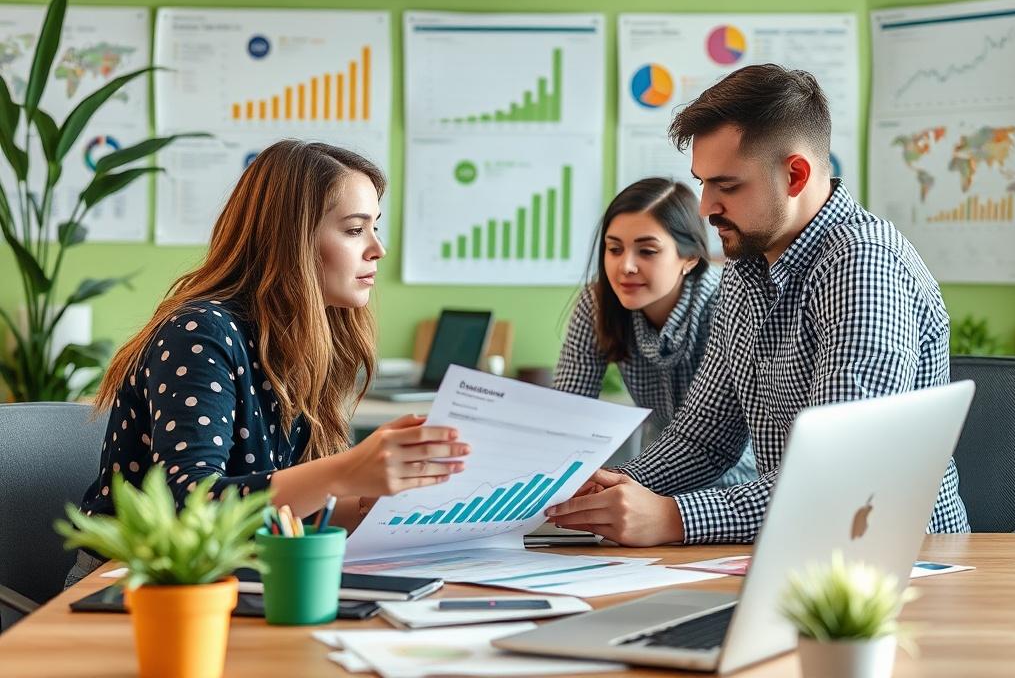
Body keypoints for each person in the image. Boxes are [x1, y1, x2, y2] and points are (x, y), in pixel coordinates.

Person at [546, 64, 969, 546]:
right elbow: (702, 438)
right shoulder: (747, 270)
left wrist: (673, 518)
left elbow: (846, 475)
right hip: (796, 548)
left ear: (795, 175)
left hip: (894, 556)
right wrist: (616, 486)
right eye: (702, 183)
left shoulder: (862, 267)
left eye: (726, 186)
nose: (704, 208)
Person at [65, 141, 469, 587]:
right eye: (355, 230)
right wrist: (347, 471)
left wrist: (372, 502)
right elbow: (190, 505)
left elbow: (286, 508)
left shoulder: (307, 341)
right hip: (133, 589)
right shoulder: (200, 333)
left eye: (375, 227)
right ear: (290, 238)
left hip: (246, 577)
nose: (378, 249)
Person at [553, 178, 756, 485]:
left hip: (736, 483)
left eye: (647, 251)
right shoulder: (599, 303)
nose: (626, 267)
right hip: (654, 476)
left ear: (690, 258)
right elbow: (567, 414)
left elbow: (708, 439)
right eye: (614, 249)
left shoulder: (726, 305)